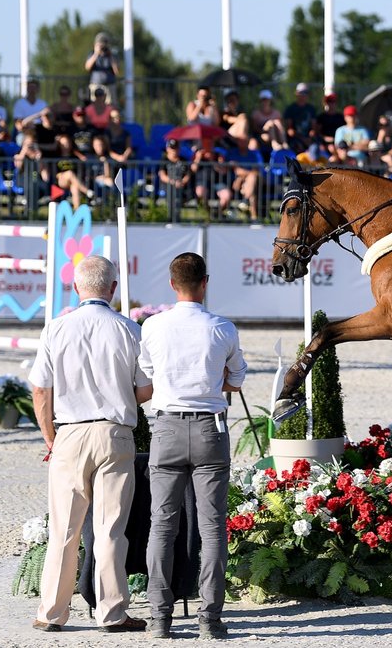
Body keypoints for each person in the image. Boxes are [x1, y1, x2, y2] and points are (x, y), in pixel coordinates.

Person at [27, 255, 151, 634]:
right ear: (113, 289)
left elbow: (40, 390)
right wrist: (121, 399)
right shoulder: (130, 329)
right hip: (114, 432)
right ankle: (111, 612)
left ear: (76, 287)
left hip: (69, 432)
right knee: (111, 528)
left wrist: (50, 435)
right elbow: (146, 388)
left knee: (64, 529)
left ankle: (51, 612)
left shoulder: (56, 329)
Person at [141, 252, 247, 640]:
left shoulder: (152, 326)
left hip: (167, 426)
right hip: (209, 428)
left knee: (162, 525)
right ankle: (210, 618)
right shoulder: (222, 327)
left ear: (172, 284)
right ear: (206, 282)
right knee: (212, 527)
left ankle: (158, 617)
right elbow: (236, 379)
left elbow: (149, 374)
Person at [85, 32, 119, 103]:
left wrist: (110, 56)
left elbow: (117, 71)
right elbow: (87, 67)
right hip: (96, 86)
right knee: (96, 109)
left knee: (111, 109)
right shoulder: (92, 54)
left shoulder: (112, 55)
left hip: (109, 86)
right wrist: (96, 53)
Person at [283, 82, 317, 153]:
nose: (303, 95)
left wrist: (310, 137)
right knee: (298, 148)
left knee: (317, 150)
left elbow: (313, 128)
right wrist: (303, 139)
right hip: (295, 140)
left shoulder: (311, 109)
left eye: (305, 92)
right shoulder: (290, 109)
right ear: (296, 93)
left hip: (309, 140)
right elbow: (290, 131)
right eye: (301, 92)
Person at [13, 78, 48, 143]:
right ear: (27, 89)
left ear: (38, 90)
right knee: (27, 141)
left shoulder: (43, 104)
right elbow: (18, 123)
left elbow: (47, 122)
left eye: (34, 88)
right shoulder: (19, 103)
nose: (32, 90)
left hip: (41, 131)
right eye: (30, 87)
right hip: (25, 131)